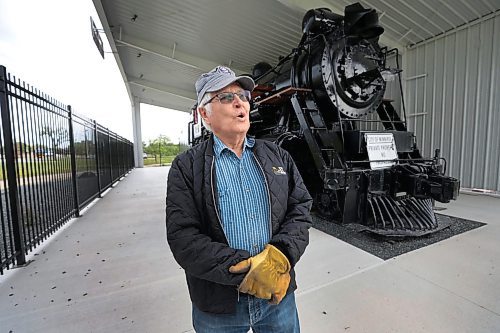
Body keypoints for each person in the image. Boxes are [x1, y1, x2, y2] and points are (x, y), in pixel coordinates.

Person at [166, 65, 313, 332]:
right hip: (219, 306)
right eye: (225, 97)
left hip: (277, 298)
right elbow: (183, 238)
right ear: (204, 114)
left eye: (243, 96)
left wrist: (280, 256)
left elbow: (300, 208)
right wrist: (249, 272)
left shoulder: (277, 156)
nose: (239, 103)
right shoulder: (186, 167)